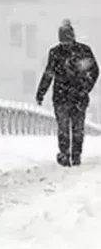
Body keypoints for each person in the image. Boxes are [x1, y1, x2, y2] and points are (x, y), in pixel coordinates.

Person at [36, 19, 99, 167]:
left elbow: (49, 74)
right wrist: (85, 87)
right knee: (74, 127)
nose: (66, 43)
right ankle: (70, 154)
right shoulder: (83, 51)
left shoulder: (56, 53)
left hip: (64, 95)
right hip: (75, 96)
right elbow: (94, 71)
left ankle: (70, 154)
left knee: (68, 127)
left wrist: (41, 92)